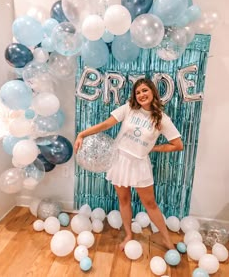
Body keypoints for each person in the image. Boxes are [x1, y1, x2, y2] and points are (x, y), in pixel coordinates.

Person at [74, 78, 183, 250]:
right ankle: (129, 235)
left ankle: (167, 240)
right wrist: (82, 134)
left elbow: (178, 145)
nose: (141, 95)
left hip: (139, 164)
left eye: (145, 90)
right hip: (119, 160)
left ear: (153, 92)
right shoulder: (129, 109)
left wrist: (153, 148)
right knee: (124, 200)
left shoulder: (161, 118)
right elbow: (105, 124)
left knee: (150, 204)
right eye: (138, 92)